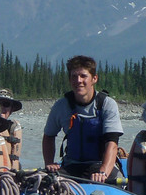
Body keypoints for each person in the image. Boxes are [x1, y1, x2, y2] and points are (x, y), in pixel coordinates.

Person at [42, 55, 123, 183]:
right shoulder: (61, 106)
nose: (78, 80)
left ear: (94, 78)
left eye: (83, 76)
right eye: (74, 76)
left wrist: (103, 171)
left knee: (112, 179)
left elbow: (112, 143)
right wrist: (49, 163)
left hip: (99, 164)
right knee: (45, 181)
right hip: (71, 166)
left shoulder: (107, 104)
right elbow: (48, 136)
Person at [0, 88, 23, 168]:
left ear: (11, 109)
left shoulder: (12, 129)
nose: (1, 108)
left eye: (6, 104)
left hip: (8, 176)